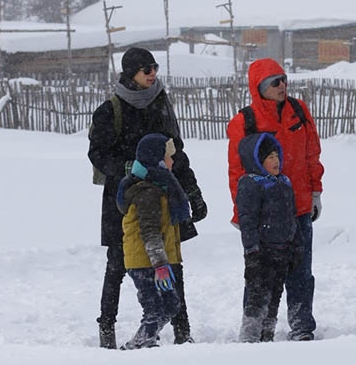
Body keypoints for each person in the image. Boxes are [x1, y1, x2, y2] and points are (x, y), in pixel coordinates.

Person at [89, 47, 207, 349]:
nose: (152, 74)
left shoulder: (160, 103)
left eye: (154, 67)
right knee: (117, 265)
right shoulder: (110, 110)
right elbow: (97, 154)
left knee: (172, 263)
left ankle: (183, 331)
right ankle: (106, 330)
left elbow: (175, 154)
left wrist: (193, 194)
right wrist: (132, 168)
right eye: (146, 70)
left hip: (165, 196)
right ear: (131, 74)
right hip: (125, 198)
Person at [226, 58, 323, 341]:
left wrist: (315, 191)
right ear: (259, 87)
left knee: (301, 271)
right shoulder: (245, 121)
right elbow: (236, 170)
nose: (282, 86)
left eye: (284, 79)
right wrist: (241, 212)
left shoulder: (298, 110)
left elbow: (311, 154)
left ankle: (302, 325)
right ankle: (254, 329)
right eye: (275, 82)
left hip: (300, 205)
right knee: (259, 275)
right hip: (265, 214)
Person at [116, 133, 190, 350]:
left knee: (171, 305)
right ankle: (139, 347)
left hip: (156, 261)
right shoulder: (148, 192)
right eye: (169, 157)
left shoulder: (162, 186)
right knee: (155, 310)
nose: (173, 161)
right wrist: (160, 265)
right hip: (145, 263)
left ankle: (141, 343)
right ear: (157, 159)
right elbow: (149, 232)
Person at [236, 132, 302, 343]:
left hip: (282, 250)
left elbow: (291, 216)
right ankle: (249, 337)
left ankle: (267, 337)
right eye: (270, 157)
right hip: (261, 251)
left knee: (274, 297)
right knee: (257, 297)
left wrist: (295, 245)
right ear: (257, 160)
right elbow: (247, 220)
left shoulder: (284, 182)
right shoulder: (250, 183)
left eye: (277, 156)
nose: (276, 161)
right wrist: (252, 250)